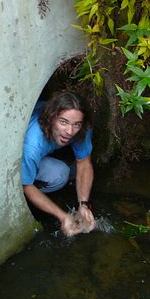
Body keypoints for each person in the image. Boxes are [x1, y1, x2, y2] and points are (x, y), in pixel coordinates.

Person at [21, 90, 96, 235]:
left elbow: (84, 162)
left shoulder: (81, 128)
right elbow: (26, 186)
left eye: (76, 124)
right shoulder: (32, 143)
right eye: (63, 122)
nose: (70, 131)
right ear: (51, 118)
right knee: (59, 175)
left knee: (75, 171)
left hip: (45, 152)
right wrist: (63, 217)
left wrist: (83, 204)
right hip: (21, 157)